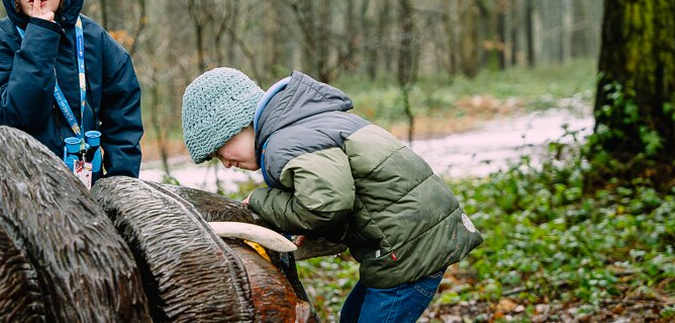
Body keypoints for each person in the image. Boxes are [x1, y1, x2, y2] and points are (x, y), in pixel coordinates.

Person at [180, 67, 483, 322]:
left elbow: (326, 205)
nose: (228, 164)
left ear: (237, 124)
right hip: (410, 241)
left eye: (219, 151)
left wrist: (262, 201)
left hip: (410, 253)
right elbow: (354, 194)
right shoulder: (307, 124)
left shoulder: (283, 143)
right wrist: (313, 231)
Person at [0, 0, 142, 179]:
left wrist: (121, 183)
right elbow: (18, 118)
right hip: (20, 185)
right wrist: (39, 34)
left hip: (87, 183)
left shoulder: (93, 39)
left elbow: (123, 117)